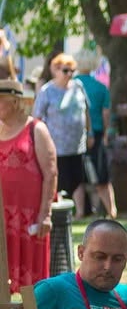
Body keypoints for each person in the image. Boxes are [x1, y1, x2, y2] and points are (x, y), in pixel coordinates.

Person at [0, 74, 55, 292]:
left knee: (32, 287)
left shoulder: (36, 129)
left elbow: (51, 173)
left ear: (15, 102)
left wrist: (46, 214)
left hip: (29, 218)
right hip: (2, 218)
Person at [32, 55, 92, 218]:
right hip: (55, 145)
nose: (69, 74)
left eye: (73, 71)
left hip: (77, 144)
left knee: (78, 179)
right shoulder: (47, 91)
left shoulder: (78, 86)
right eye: (66, 71)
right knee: (56, 177)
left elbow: (86, 111)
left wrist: (90, 132)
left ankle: (80, 213)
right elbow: (37, 117)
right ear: (55, 70)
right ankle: (54, 212)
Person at [76, 58, 114, 221]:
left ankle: (80, 211)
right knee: (101, 176)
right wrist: (104, 133)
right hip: (96, 134)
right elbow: (106, 114)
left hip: (76, 136)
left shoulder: (72, 85)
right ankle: (111, 210)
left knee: (77, 176)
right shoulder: (100, 87)